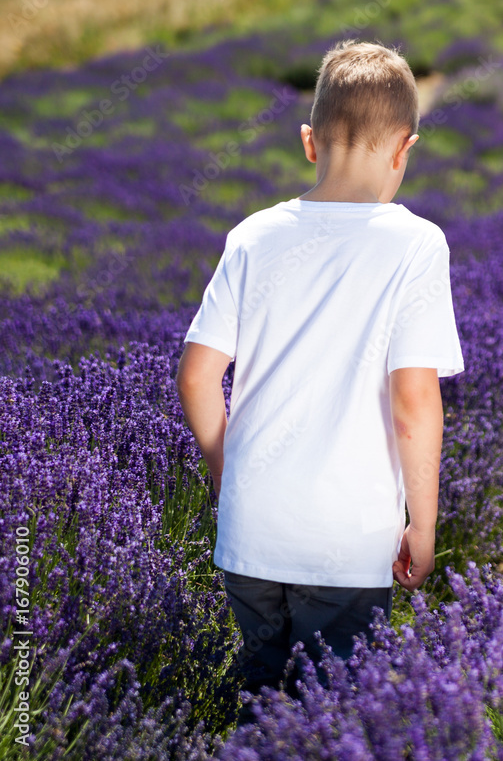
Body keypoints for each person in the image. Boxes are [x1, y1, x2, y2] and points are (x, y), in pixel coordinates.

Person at [174, 39, 464, 718]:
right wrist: (422, 524)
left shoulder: (252, 236)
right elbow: (415, 402)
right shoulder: (415, 245)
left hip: (252, 534)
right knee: (331, 712)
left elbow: (196, 376)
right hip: (346, 537)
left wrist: (229, 471)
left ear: (310, 142)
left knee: (261, 692)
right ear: (404, 149)